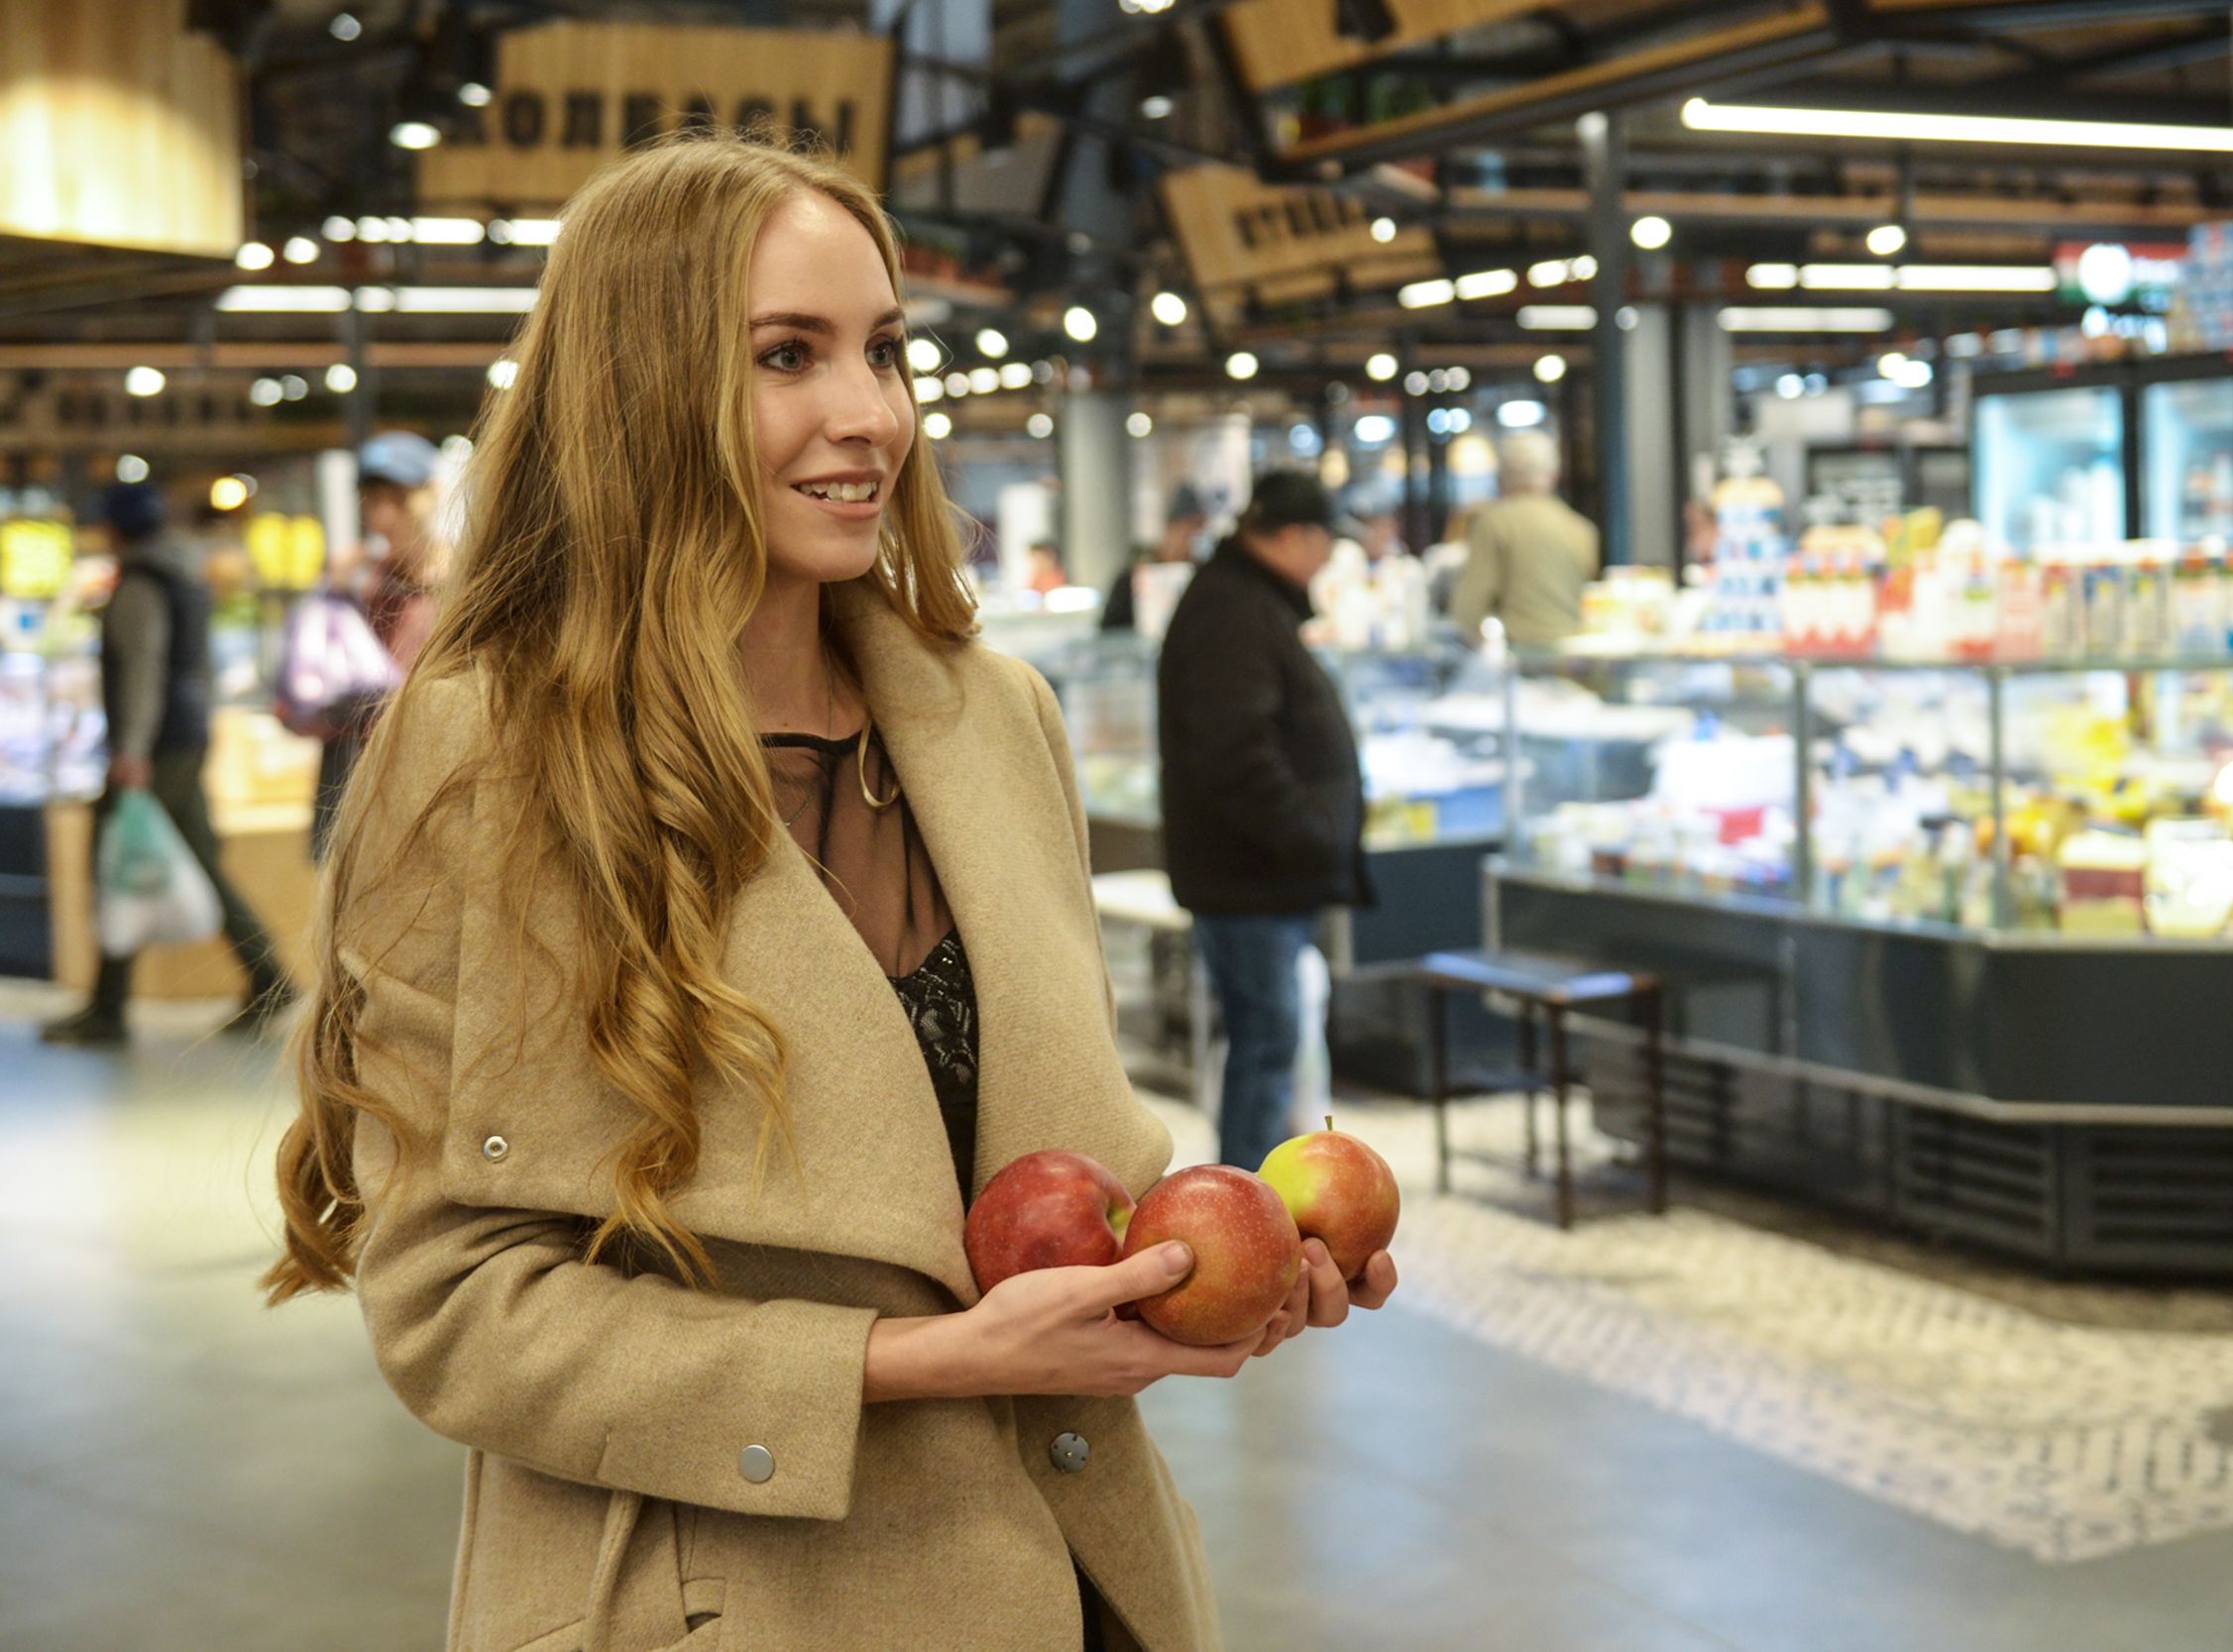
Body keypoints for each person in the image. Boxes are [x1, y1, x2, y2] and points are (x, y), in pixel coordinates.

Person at [260, 135, 1395, 1652]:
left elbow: (1031, 1166)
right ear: (639, 390)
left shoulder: (994, 720)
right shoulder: (493, 758)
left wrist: (1209, 1264)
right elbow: (454, 1308)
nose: (872, 416)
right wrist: (903, 1360)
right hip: (737, 1595)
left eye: (884, 351)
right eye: (786, 356)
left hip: (1082, 1576)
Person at [1156, 471, 1373, 1174]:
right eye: (1325, 545)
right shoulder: (1234, 609)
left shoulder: (1244, 599)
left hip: (1258, 875)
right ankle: (1242, 1212)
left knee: (1267, 1040)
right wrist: (1308, 831)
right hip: (1249, 878)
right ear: (1291, 536)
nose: (1327, 561)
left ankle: (1250, 1206)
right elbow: (1234, 754)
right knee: (1267, 1041)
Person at [41, 483, 298, 1047]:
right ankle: (266, 975)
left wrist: (131, 750)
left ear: (115, 529)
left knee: (119, 862)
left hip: (155, 748)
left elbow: (142, 669)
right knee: (195, 858)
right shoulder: (185, 577)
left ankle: (109, 1008)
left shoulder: (140, 585)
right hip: (186, 737)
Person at [310, 430, 447, 862]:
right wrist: (330, 593)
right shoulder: (358, 581)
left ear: (431, 494)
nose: (384, 515)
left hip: (441, 769)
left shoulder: (469, 580)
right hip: (367, 771)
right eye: (372, 501)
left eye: (398, 498)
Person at [1449, 428, 1601, 647]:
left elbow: (1468, 611)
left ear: (1502, 477)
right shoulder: (1582, 529)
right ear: (1554, 476)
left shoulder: (1494, 523)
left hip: (1518, 658)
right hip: (1572, 657)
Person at [1100, 483, 1207, 631]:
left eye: (1197, 530)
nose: (1191, 538)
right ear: (1170, 528)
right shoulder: (1131, 578)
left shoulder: (1203, 578)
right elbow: (1110, 633)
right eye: (1188, 528)